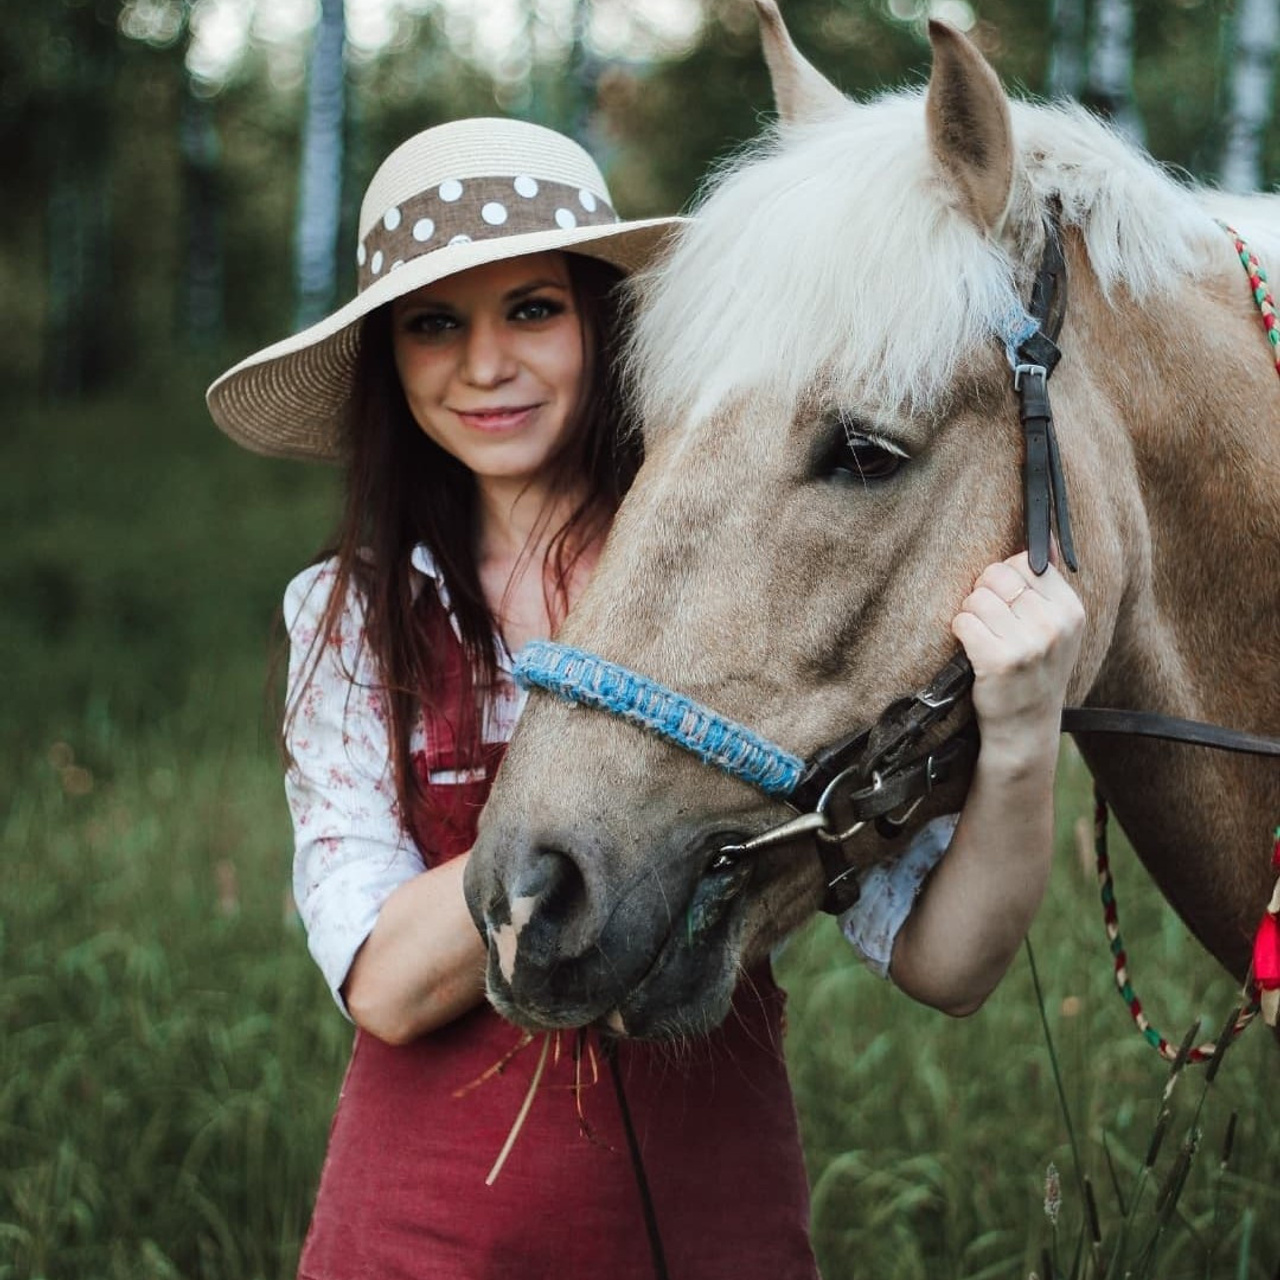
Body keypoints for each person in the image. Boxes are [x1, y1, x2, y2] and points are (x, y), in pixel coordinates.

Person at [206, 117, 1083, 1280]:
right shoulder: (349, 612)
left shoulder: (745, 583)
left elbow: (946, 962)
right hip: (421, 1233)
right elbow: (383, 983)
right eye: (433, 324)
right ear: (390, 362)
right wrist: (608, 791)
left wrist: (1021, 738)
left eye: (531, 308)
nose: (485, 364)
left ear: (599, 319)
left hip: (711, 1222)